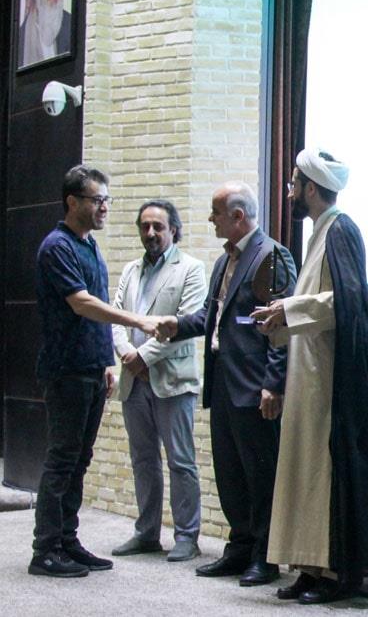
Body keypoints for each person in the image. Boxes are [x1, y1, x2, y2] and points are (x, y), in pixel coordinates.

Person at [252, 149, 368, 604]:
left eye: (293, 184)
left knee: (323, 473)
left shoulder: (341, 230)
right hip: (308, 374)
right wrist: (280, 318)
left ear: (310, 187)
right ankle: (309, 566)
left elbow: (348, 301)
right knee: (304, 472)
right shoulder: (319, 234)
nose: (289, 193)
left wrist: (288, 309)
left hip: (330, 380)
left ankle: (335, 572)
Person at [156, 181, 296, 587]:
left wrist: (274, 383)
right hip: (223, 384)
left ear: (237, 216)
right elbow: (210, 318)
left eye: (215, 213)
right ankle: (239, 548)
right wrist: (176, 326)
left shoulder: (271, 256)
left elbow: (282, 326)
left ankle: (265, 557)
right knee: (231, 473)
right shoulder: (224, 261)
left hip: (255, 387)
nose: (210, 219)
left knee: (260, 475)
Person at [30, 165, 161, 578]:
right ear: (73, 202)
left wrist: (106, 359)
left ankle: (67, 540)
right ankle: (45, 550)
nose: (105, 207)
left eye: (107, 199)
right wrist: (137, 321)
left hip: (89, 368)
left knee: (79, 460)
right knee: (62, 460)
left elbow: (96, 308)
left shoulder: (88, 245)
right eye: (97, 200)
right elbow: (83, 303)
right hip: (65, 370)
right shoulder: (57, 247)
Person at [110, 201, 208, 562]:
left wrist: (143, 357)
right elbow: (116, 317)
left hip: (172, 382)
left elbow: (186, 325)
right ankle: (147, 533)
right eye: (145, 226)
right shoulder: (130, 270)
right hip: (133, 381)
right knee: (143, 459)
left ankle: (187, 536)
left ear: (173, 230)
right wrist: (126, 353)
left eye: (158, 227)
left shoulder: (192, 269)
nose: (150, 233)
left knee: (181, 461)